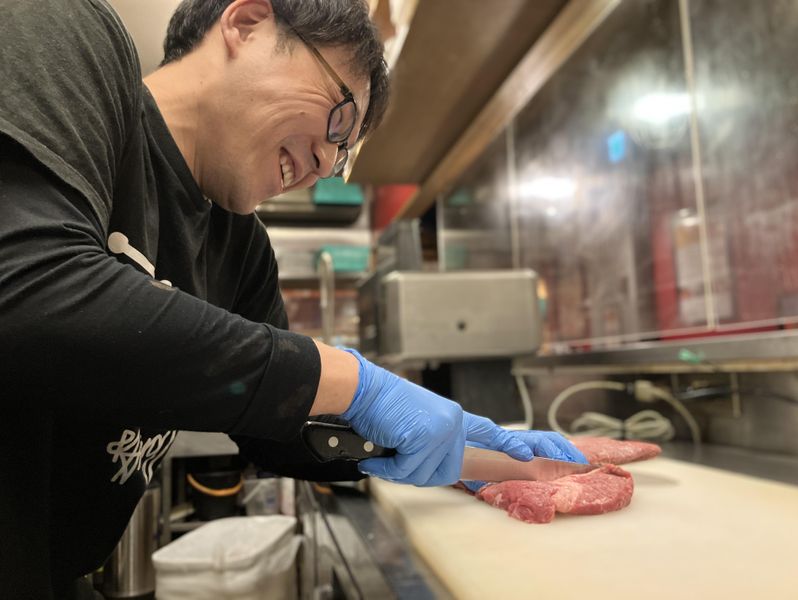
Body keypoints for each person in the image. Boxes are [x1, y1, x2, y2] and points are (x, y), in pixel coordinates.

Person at [0, 0, 586, 597]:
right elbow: (29, 291)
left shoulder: (240, 247)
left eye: (344, 152)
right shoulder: (62, 32)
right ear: (247, 24)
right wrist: (357, 382)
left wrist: (463, 453)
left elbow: (278, 426)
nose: (327, 164)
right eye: (340, 115)